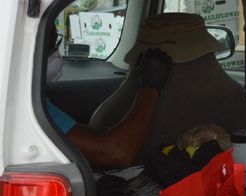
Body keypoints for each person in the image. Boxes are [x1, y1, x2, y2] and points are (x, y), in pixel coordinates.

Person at [45, 20, 172, 169]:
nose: (56, 53)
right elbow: (117, 152)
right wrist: (151, 88)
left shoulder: (29, 102)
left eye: (56, 43)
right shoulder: (25, 107)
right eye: (51, 46)